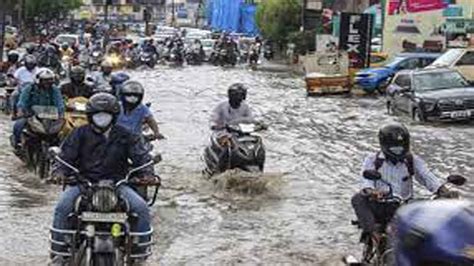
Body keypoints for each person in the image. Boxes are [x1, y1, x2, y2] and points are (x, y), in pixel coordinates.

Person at [50, 93, 156, 265]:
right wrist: (59, 172)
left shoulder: (125, 135)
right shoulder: (79, 133)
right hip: (83, 183)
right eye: (98, 115)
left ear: (114, 116)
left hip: (117, 184)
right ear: (90, 116)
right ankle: (60, 254)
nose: (102, 118)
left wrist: (147, 173)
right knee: (63, 206)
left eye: (106, 115)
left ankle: (139, 255)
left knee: (141, 207)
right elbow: (65, 157)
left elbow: (141, 157)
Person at [351, 122, 456, 245]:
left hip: (404, 206)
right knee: (358, 198)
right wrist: (371, 191)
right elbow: (366, 181)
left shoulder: (412, 160)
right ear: (384, 144)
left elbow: (426, 176)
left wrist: (443, 190)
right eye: (394, 147)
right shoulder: (372, 160)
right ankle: (372, 232)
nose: (398, 150)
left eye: (401, 146)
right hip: (381, 204)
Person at [12, 68, 65, 151]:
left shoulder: (54, 89)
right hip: (31, 115)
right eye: (45, 80)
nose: (47, 83)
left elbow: (59, 103)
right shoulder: (30, 88)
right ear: (38, 80)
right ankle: (18, 144)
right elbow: (22, 102)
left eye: (50, 80)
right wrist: (20, 111)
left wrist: (61, 114)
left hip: (49, 116)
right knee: (18, 125)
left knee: (60, 133)